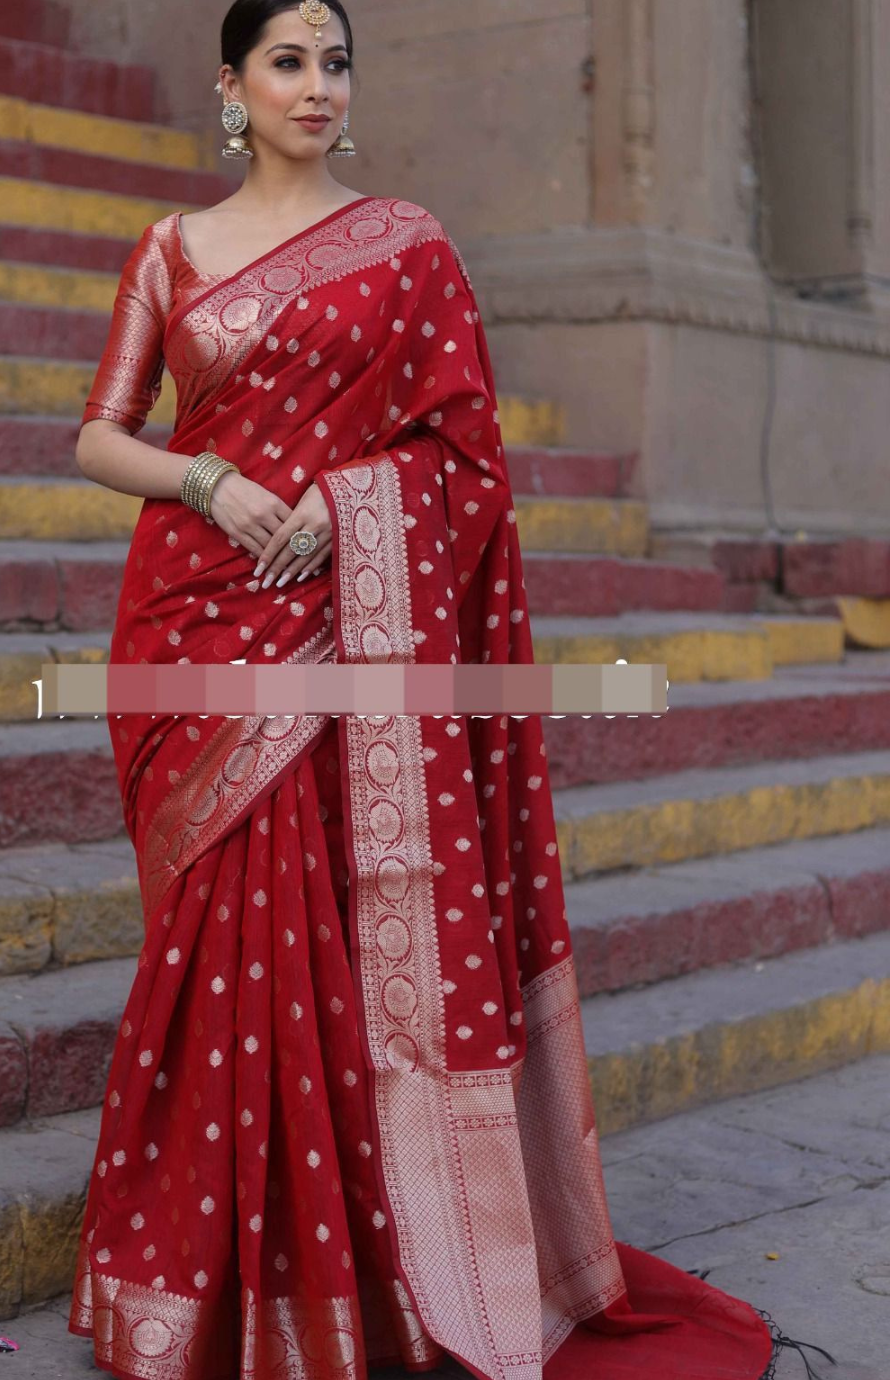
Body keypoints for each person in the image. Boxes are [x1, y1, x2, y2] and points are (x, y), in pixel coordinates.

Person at [65, 4, 830, 1379]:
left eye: (335, 60)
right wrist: (212, 479)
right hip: (190, 617)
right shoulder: (171, 251)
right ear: (231, 85)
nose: (316, 84)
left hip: (345, 632)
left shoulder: (410, 247)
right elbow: (100, 435)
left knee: (321, 945)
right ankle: (198, 1285)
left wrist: (354, 507)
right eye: (287, 61)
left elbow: (465, 461)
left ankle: (358, 1275)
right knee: (212, 948)